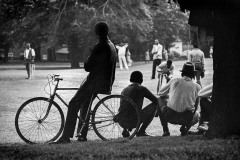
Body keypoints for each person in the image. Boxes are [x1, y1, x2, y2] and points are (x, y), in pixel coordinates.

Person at [53, 22, 117, 144]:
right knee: (85, 105)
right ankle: (82, 135)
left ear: (96, 33)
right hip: (103, 82)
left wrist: (88, 56)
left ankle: (66, 137)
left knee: (73, 104)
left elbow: (87, 67)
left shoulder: (100, 46)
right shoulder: (111, 45)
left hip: (94, 83)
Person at [157, 62, 201, 136]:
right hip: (187, 118)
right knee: (197, 113)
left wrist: (170, 96)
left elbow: (160, 93)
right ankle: (185, 128)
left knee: (159, 99)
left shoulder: (175, 80)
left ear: (182, 73)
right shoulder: (197, 86)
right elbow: (196, 106)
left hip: (170, 116)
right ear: (193, 74)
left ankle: (165, 130)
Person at [118, 71, 159, 137]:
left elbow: (124, 106)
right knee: (155, 106)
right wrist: (157, 112)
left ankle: (125, 130)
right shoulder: (141, 89)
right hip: (134, 120)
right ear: (141, 80)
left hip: (121, 121)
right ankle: (141, 131)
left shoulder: (124, 89)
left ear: (131, 79)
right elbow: (156, 100)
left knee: (128, 107)